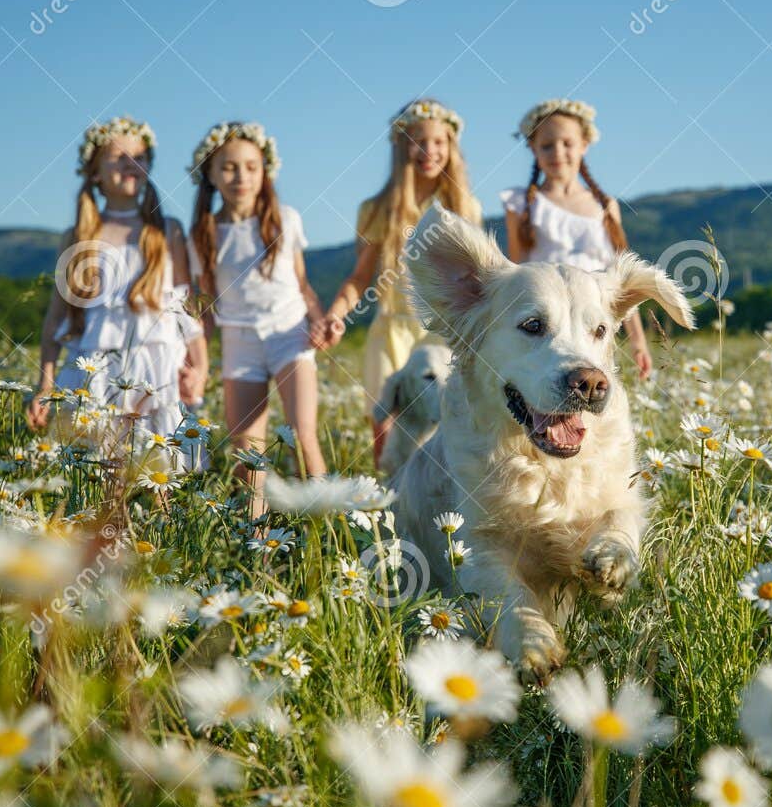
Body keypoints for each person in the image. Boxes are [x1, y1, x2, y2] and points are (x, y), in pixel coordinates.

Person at [27, 116, 207, 459]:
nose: (131, 164)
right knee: (100, 471)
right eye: (118, 157)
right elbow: (55, 319)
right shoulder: (79, 236)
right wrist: (44, 386)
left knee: (161, 469)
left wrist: (200, 368)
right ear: (95, 172)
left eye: (139, 156)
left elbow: (185, 307)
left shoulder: (167, 231)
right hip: (95, 368)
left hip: (157, 366)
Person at [319, 98, 482, 467]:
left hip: (442, 331)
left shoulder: (465, 207)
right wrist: (336, 314)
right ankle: (388, 509)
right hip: (391, 329)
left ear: (451, 147)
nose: (429, 151)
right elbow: (360, 277)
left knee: (448, 428)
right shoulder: (378, 209)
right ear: (402, 146)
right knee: (385, 429)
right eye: (419, 141)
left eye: (439, 142)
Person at [187, 120, 327, 513]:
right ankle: (257, 541)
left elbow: (304, 285)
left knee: (303, 434)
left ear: (264, 170)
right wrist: (196, 361)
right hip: (239, 343)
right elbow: (206, 305)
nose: (240, 176)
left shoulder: (285, 218)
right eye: (228, 167)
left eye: (250, 166)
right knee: (246, 450)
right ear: (211, 175)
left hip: (290, 335)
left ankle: (329, 530)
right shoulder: (204, 232)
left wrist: (320, 320)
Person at [501, 98, 653, 380]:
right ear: (533, 149)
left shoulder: (604, 205)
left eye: (567, 143)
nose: (558, 152)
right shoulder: (521, 204)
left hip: (593, 321)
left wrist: (638, 340)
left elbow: (622, 279)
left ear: (584, 145)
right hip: (549, 324)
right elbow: (516, 272)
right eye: (547, 145)